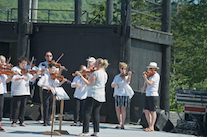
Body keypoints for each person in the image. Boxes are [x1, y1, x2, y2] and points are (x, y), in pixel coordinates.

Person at [76, 58, 109, 137]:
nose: (94, 65)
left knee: (86, 112)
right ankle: (96, 132)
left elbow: (88, 83)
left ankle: (85, 131)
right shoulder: (105, 73)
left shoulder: (96, 73)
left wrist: (80, 76)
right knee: (96, 113)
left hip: (93, 95)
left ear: (99, 65)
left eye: (96, 63)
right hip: (101, 95)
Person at [10, 56, 41, 127]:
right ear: (19, 63)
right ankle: (14, 121)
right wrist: (21, 77)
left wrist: (36, 75)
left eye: (26, 63)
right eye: (23, 63)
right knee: (16, 107)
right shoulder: (15, 69)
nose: (24, 65)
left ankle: (21, 121)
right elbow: (13, 79)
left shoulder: (27, 71)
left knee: (23, 107)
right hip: (17, 91)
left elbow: (31, 79)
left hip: (25, 91)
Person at [111, 62, 134, 129]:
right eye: (122, 68)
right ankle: (120, 122)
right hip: (117, 94)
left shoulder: (126, 76)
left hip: (124, 94)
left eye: (124, 69)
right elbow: (112, 85)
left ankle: (123, 123)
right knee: (117, 108)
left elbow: (128, 81)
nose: (123, 70)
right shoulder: (117, 76)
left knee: (123, 109)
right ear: (119, 69)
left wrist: (129, 76)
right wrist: (116, 84)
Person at [141, 62, 160, 132]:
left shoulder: (156, 75)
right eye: (149, 68)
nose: (149, 70)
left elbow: (150, 83)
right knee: (146, 110)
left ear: (155, 69)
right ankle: (149, 125)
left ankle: (152, 126)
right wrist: (144, 88)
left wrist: (145, 78)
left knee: (152, 111)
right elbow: (147, 84)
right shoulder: (151, 76)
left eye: (151, 68)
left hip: (153, 95)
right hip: (148, 94)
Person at [0, 65, 18, 131]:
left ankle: (0, 125)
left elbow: (7, 81)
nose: (3, 69)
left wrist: (11, 75)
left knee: (0, 109)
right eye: (1, 68)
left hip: (1, 92)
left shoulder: (3, 74)